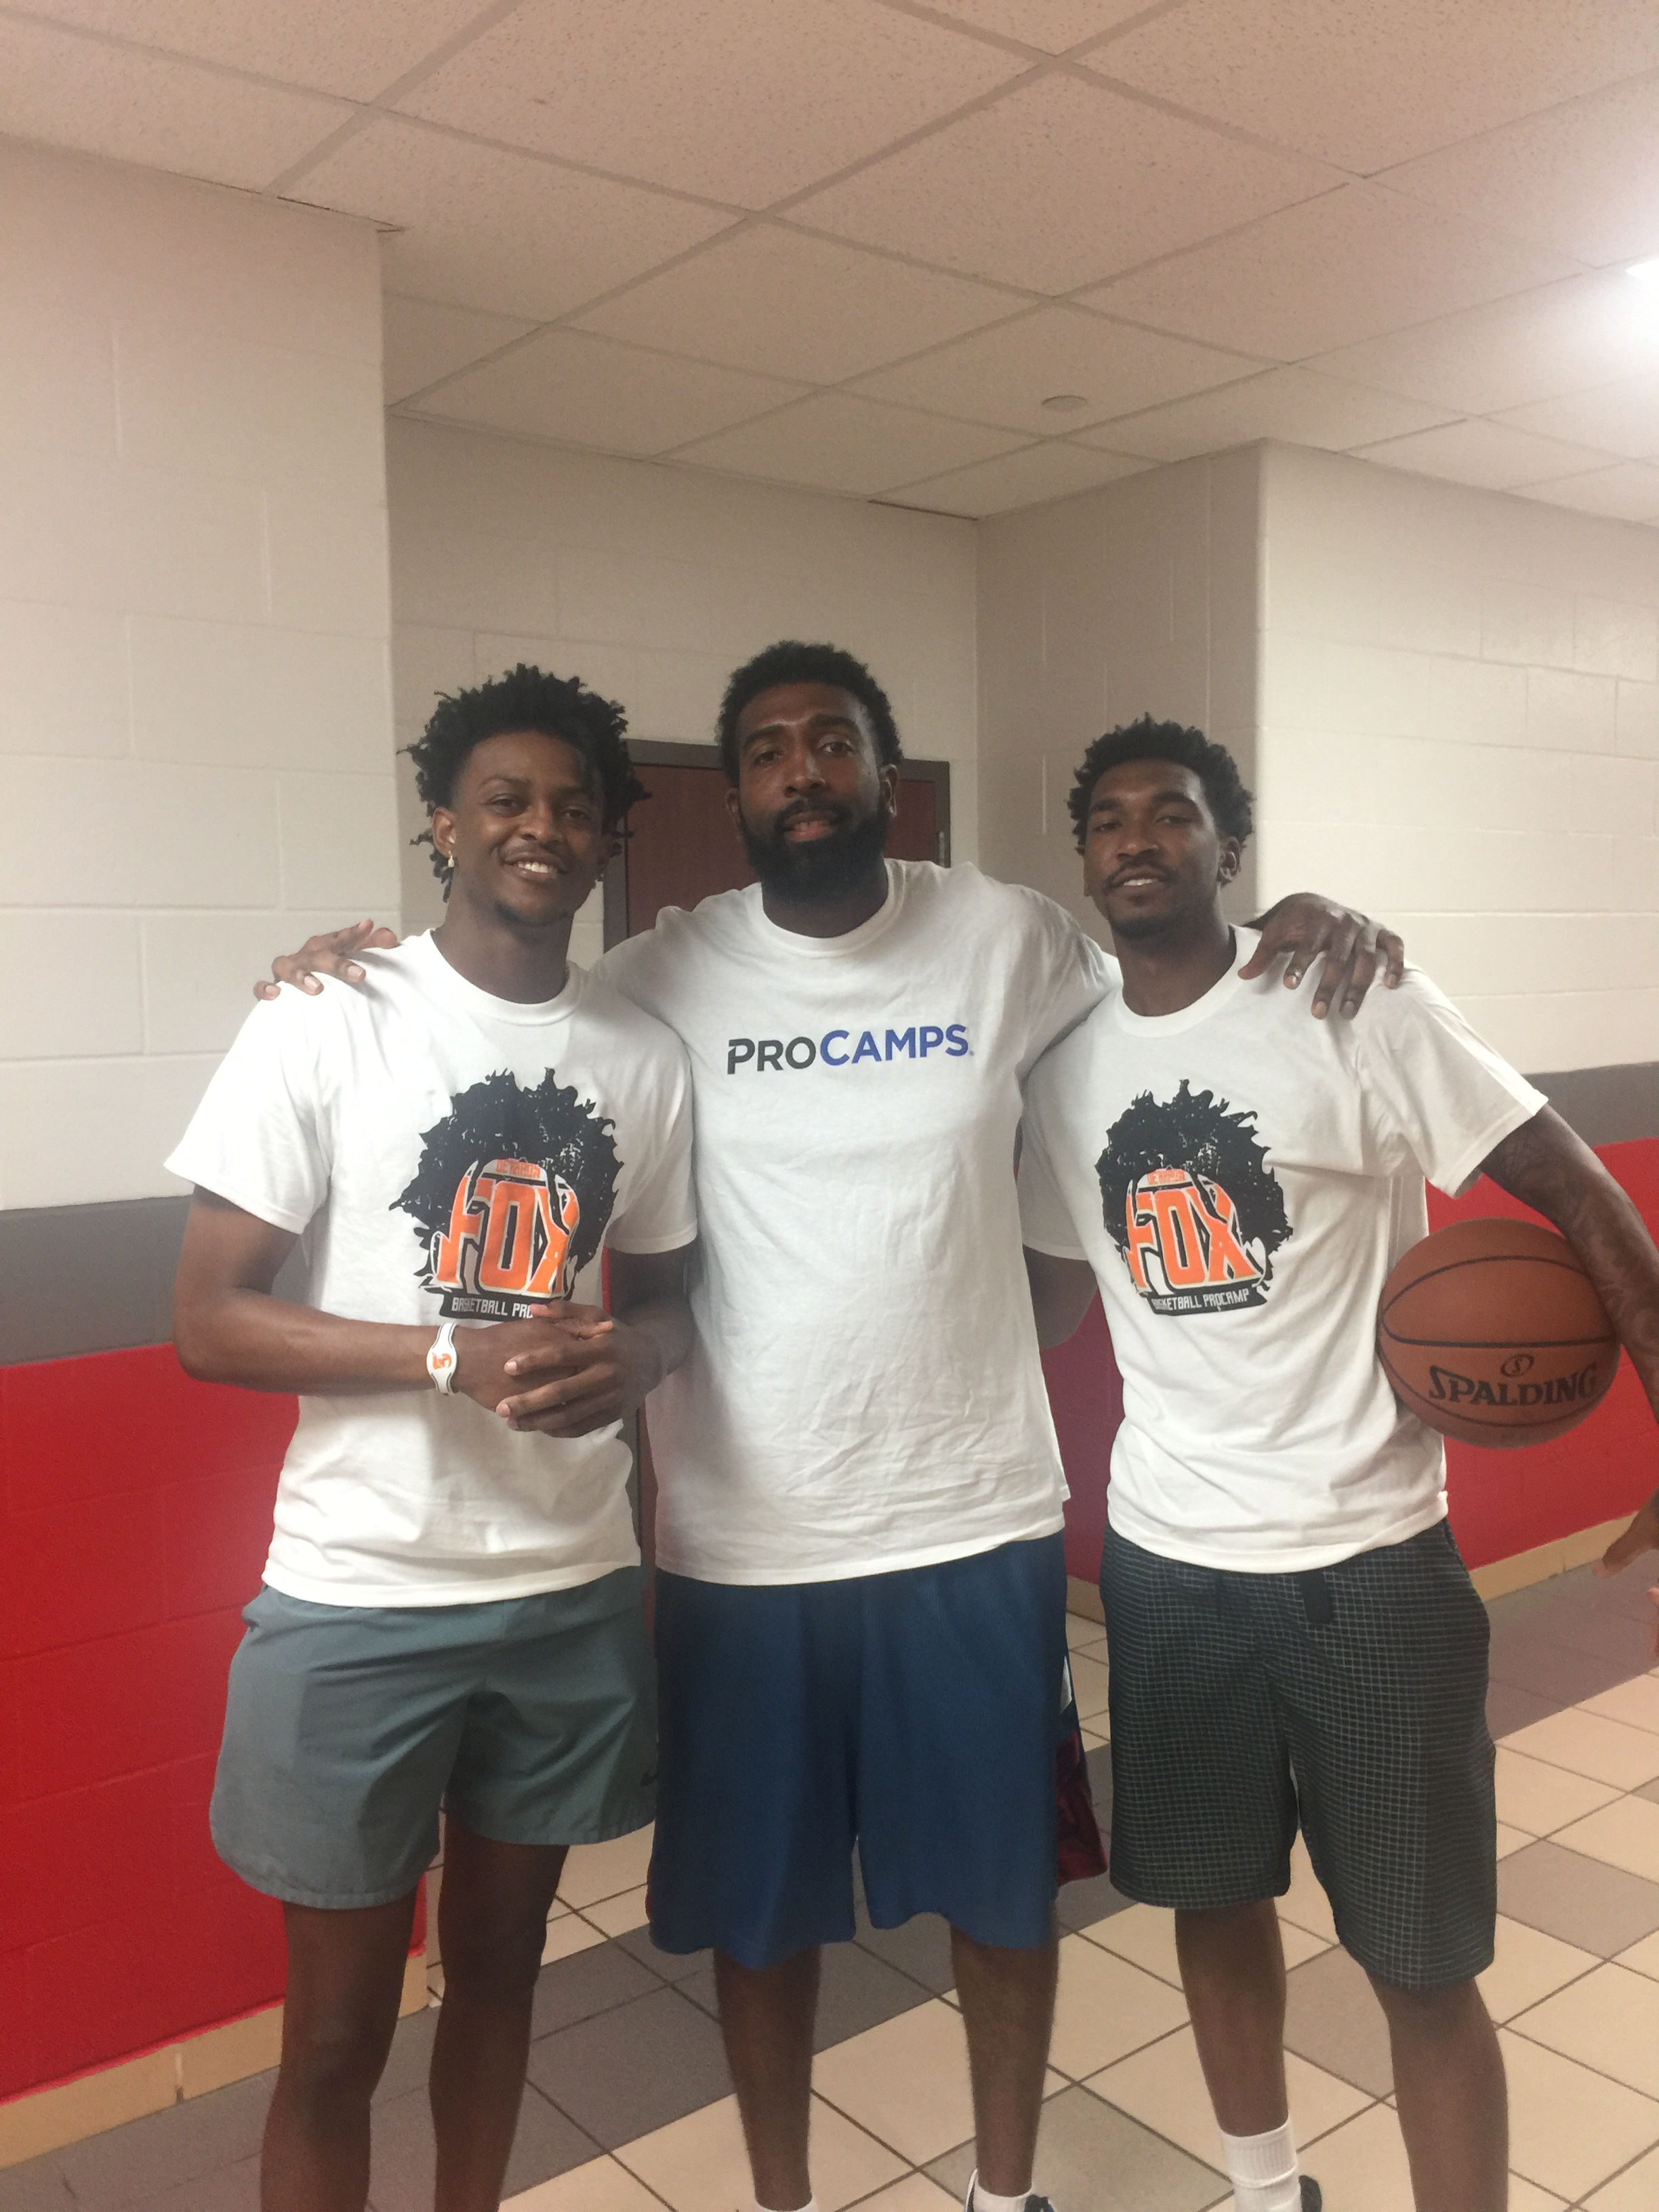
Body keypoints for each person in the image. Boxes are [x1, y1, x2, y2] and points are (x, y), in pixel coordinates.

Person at [260, 643, 1403, 2212]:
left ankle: (1008, 2194)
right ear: (729, 795)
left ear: (882, 772)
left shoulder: (1006, 935)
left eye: (835, 744)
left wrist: (1297, 921)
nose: (805, 771)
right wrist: (345, 955)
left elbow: (1175, 970)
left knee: (1001, 1899)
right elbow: (498, 999)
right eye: (771, 752)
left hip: (975, 1520)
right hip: (742, 1539)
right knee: (764, 1918)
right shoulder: (660, 974)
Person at [1019, 716, 1659, 2212]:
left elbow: (1575, 1186)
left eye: (1170, 814)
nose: (1136, 839)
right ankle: (1264, 2187)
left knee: (1422, 1958)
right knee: (1211, 1899)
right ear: (1085, 861)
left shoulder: (1349, 998)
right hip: (1170, 1570)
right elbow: (1052, 1293)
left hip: (1369, 1565)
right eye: (1108, 819)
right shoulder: (1066, 1068)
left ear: (1228, 850)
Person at [170, 667, 698, 2212]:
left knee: (502, 1986)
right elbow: (209, 1318)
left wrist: (639, 1361)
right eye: (507, 799)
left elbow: (668, 1308)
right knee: (335, 2036)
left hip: (566, 1588)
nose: (541, 826)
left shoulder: (642, 1055)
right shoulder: (328, 1016)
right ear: (444, 824)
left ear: (604, 839)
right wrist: (447, 1351)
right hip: (362, 1598)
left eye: (572, 805)